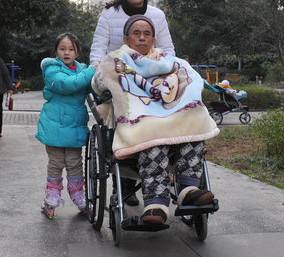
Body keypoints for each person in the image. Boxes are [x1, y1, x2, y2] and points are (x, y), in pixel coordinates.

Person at [92, 15, 219, 226]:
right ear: (126, 39)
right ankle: (156, 204)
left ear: (153, 40)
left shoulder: (168, 61)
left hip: (170, 114)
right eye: (136, 33)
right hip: (144, 118)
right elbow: (98, 82)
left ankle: (189, 190)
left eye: (147, 34)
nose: (142, 37)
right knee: (154, 133)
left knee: (193, 120)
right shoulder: (116, 59)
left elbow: (189, 78)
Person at [89, 0, 175, 206]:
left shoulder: (157, 15)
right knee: (121, 116)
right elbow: (98, 49)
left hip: (150, 76)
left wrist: (169, 71)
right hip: (119, 76)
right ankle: (124, 183)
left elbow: (168, 50)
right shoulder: (110, 15)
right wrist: (99, 74)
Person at [36, 33, 96, 219]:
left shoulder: (82, 71)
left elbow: (92, 89)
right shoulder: (52, 70)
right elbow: (67, 84)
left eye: (71, 49)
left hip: (74, 127)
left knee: (74, 163)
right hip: (54, 126)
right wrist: (92, 70)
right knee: (55, 163)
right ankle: (52, 198)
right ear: (56, 51)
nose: (66, 52)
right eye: (62, 49)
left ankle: (78, 195)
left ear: (77, 52)